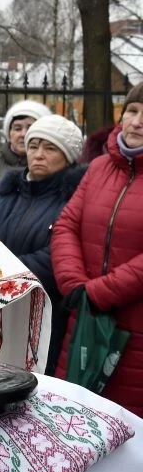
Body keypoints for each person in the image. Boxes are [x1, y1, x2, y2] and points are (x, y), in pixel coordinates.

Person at [0, 115, 86, 372]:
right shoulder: (9, 194)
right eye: (33, 146)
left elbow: (54, 257)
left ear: (68, 156)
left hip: (41, 314)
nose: (38, 154)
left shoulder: (73, 199)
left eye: (50, 148)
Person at [52, 83, 143, 417]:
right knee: (77, 422)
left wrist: (100, 292)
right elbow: (66, 225)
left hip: (134, 328)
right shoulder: (99, 167)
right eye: (133, 111)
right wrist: (73, 282)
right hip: (86, 319)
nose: (136, 121)